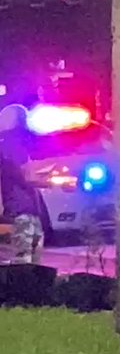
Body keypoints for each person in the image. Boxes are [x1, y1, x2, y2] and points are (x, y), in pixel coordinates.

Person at [0, 105, 44, 264]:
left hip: (24, 208)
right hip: (22, 209)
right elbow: (24, 175)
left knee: (27, 257)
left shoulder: (10, 143)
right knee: (26, 260)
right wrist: (47, 182)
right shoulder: (12, 144)